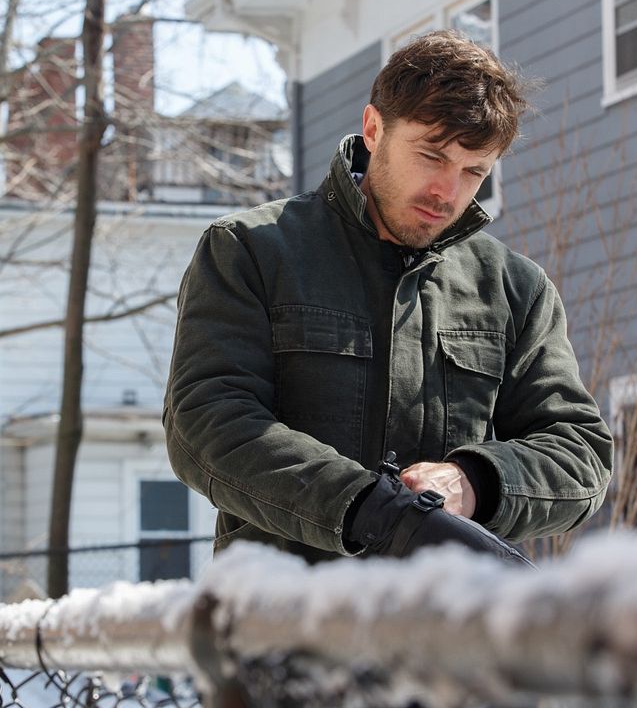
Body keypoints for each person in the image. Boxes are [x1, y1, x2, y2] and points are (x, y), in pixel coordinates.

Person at [163, 30, 613, 566]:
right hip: (281, 606)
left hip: (441, 612)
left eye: (474, 171)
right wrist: (369, 510)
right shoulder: (251, 250)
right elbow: (206, 420)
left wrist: (473, 481)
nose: (447, 191)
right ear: (374, 128)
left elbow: (579, 453)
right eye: (431, 156)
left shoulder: (515, 288)